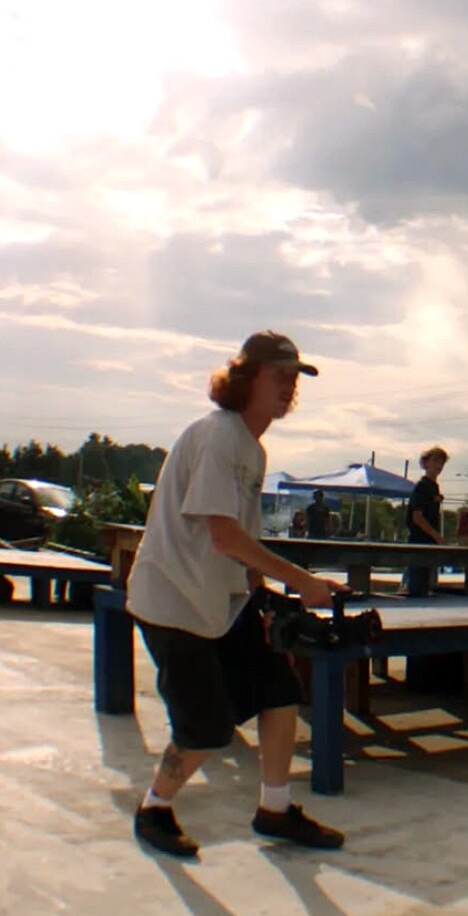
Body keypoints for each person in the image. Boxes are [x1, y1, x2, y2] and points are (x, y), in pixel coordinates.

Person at [125, 331, 345, 859]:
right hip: (173, 601)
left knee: (279, 691)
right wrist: (301, 581)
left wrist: (260, 592)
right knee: (205, 727)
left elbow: (238, 537)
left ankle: (274, 808)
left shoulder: (251, 447)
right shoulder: (220, 435)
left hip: (219, 602)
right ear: (246, 376)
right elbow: (221, 533)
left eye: (295, 378)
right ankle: (154, 809)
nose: (289, 386)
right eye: (280, 375)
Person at [404, 446, 447, 596]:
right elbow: (417, 517)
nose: (439, 465)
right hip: (419, 541)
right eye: (435, 461)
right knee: (416, 586)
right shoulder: (422, 487)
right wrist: (436, 536)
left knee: (427, 585)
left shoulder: (434, 487)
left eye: (441, 462)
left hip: (430, 543)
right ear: (426, 463)